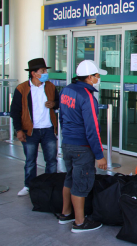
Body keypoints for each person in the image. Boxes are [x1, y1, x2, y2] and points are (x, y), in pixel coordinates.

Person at [56, 60, 107, 233]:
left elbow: (62, 117)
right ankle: (79, 222)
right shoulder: (87, 97)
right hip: (82, 148)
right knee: (81, 182)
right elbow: (92, 129)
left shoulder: (66, 91)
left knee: (69, 178)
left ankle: (66, 213)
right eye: (97, 76)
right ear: (90, 77)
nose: (98, 79)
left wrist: (67, 137)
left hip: (68, 143)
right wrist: (99, 155)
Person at [10, 58, 59, 196]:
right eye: (42, 71)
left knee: (51, 160)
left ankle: (51, 184)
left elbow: (58, 102)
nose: (46, 73)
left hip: (48, 129)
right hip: (30, 130)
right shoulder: (22, 88)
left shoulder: (50, 86)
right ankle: (29, 185)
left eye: (45, 70)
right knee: (30, 160)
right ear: (34, 73)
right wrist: (18, 130)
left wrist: (54, 104)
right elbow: (15, 111)